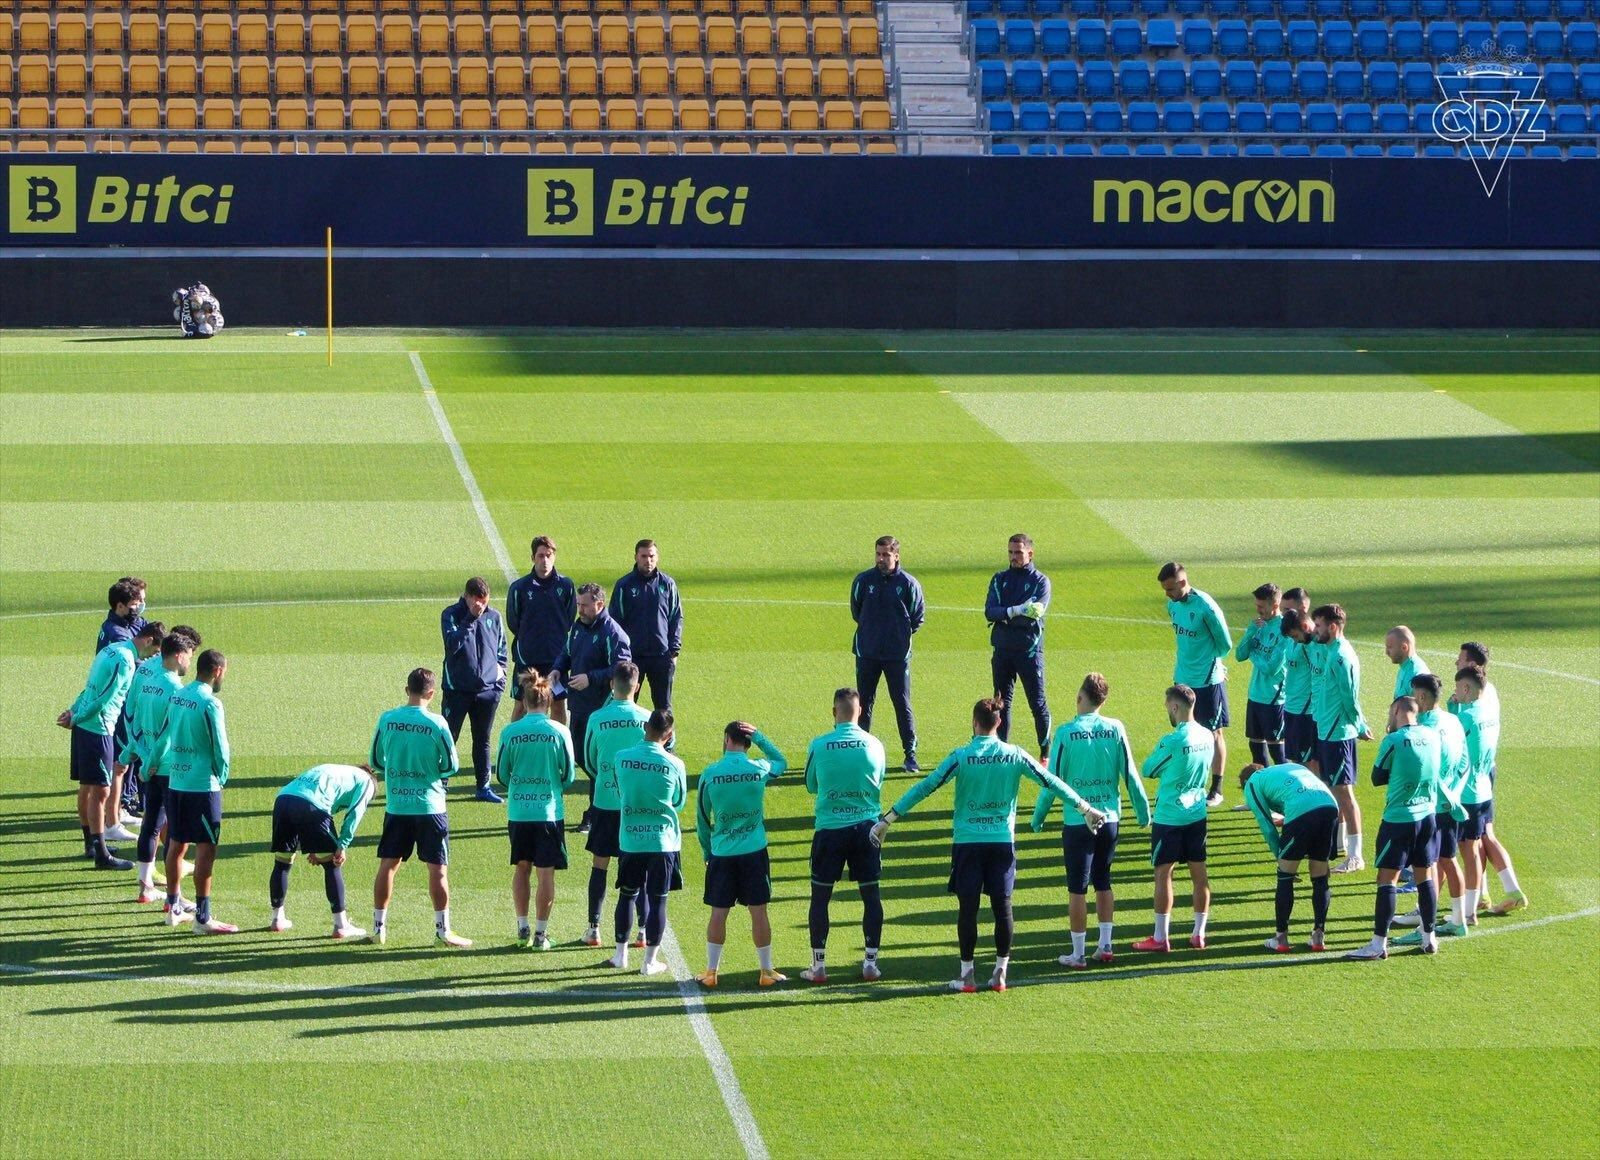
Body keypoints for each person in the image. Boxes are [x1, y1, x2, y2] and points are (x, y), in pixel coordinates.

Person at [872, 698, 1106, 994]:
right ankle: (1000, 973)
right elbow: (1051, 782)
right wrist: (1086, 808)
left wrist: (888, 818)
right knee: (1003, 907)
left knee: (968, 909)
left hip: (968, 844)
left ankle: (967, 975)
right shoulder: (1015, 755)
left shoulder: (962, 755)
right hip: (1001, 844)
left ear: (974, 722)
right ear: (999, 723)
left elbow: (926, 786)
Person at [1029, 672, 1150, 968]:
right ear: (1103, 700)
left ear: (1080, 696)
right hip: (1109, 819)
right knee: (1104, 880)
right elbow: (1130, 774)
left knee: (1077, 888)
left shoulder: (1065, 732)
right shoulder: (1115, 728)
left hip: (1077, 820)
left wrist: (1038, 816)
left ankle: (1078, 953)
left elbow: (1051, 781)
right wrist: (1143, 810)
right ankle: (1105, 945)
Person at [368, 667, 470, 947]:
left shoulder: (388, 719)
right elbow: (451, 766)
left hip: (398, 805)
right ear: (432, 693)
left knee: (388, 865)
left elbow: (376, 760)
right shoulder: (437, 723)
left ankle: (379, 929)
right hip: (430, 807)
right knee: (437, 870)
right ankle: (442, 931)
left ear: (407, 690)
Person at [57, 620, 163, 870]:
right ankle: (102, 855)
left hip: (86, 727)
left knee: (87, 787)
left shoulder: (109, 650)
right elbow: (105, 697)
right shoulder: (125, 660)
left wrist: (73, 712)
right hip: (99, 729)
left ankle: (91, 845)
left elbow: (89, 689)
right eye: (154, 651)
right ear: (148, 641)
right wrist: (76, 717)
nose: (152, 657)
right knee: (101, 792)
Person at [147, 648, 238, 934]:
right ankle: (203, 917)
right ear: (218, 672)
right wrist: (222, 776)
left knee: (176, 844)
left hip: (175, 781)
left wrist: (149, 764)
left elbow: (163, 736)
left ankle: (173, 908)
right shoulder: (210, 703)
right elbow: (220, 746)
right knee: (206, 849)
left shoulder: (178, 696)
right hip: (202, 786)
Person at [1346, 696, 1445, 960]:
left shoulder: (1394, 741)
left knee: (1386, 880)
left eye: (1391, 712)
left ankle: (1378, 944)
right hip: (1428, 817)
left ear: (1399, 710)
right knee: (1425, 877)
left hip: (1399, 819)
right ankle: (1429, 938)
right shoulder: (1433, 735)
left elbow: (1377, 777)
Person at [800, 688, 888, 984]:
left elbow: (811, 784)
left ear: (834, 711)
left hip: (830, 830)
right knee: (871, 895)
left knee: (820, 897)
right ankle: (870, 964)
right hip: (866, 830)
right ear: (859, 711)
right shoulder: (875, 744)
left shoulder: (820, 744)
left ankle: (819, 966)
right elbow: (879, 781)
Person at [694, 721, 789, 988]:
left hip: (722, 853)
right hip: (754, 852)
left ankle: (711, 972)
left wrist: (706, 850)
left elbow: (702, 818)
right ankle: (766, 971)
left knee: (718, 913)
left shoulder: (710, 774)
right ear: (748, 742)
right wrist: (760, 737)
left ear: (726, 739)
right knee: (759, 912)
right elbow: (781, 762)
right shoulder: (758, 768)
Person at [1131, 685, 1215, 953]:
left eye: (1168, 706)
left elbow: (1148, 769)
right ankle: (1199, 933)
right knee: (1199, 875)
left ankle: (1160, 937)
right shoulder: (1207, 734)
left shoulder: (1173, 740)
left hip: (1169, 817)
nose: (1167, 710)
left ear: (1175, 707)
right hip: (1197, 813)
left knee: (1163, 875)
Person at [495, 673, 576, 949]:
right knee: (546, 873)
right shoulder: (559, 731)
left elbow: (503, 775)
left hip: (518, 812)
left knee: (521, 867)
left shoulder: (510, 732)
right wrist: (553, 785)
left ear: (525, 700)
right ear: (548, 700)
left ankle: (522, 927)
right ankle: (541, 935)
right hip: (548, 812)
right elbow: (569, 775)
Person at [605, 710, 687, 976]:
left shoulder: (621, 758)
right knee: (658, 899)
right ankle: (649, 961)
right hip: (663, 841)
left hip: (631, 838)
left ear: (645, 727)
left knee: (627, 894)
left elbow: (619, 792)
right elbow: (679, 801)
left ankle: (620, 955)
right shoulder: (675, 764)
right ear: (669, 734)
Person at [1391, 673, 1471, 943]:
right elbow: (1464, 762)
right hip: (1450, 804)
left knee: (1428, 864)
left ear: (1422, 697)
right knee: (1448, 860)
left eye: (1414, 695)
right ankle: (1458, 920)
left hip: (1430, 805)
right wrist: (1455, 796)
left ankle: (1426, 928)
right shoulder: (1453, 720)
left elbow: (1425, 769)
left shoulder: (1425, 730)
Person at [579, 662, 650, 947]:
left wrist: (606, 780)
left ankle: (594, 929)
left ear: (611, 685)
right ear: (638, 687)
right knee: (638, 867)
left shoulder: (597, 718)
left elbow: (589, 760)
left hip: (605, 802)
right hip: (636, 803)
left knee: (600, 864)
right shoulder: (647, 718)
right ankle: (643, 931)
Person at [124, 628, 196, 904]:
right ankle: (174, 899)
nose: (190, 661)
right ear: (178, 656)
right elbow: (168, 737)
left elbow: (135, 720)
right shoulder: (176, 690)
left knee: (150, 826)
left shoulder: (149, 682)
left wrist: (137, 753)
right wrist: (151, 763)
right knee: (177, 836)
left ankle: (145, 889)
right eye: (189, 656)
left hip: (148, 766)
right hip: (167, 769)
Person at [553, 582, 632, 832]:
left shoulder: (613, 633)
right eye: (578, 605)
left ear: (599, 604)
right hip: (579, 705)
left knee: (597, 762)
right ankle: (602, 808)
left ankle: (596, 813)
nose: (580, 609)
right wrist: (557, 667)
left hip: (601, 709)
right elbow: (567, 652)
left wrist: (591, 678)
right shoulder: (578, 627)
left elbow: (621, 670)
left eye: (585, 605)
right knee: (582, 757)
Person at [1451, 665, 1528, 916]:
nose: (1454, 692)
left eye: (1457, 687)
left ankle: (1469, 911)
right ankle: (1478, 904)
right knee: (1479, 845)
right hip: (1484, 788)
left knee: (1467, 852)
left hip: (1466, 794)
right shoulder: (1488, 712)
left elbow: (1451, 749)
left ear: (1466, 687)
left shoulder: (1466, 718)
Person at [1238, 762, 1339, 953]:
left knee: (1285, 876)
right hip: (1329, 806)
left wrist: (1281, 856)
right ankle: (1318, 937)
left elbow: (1266, 825)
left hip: (1303, 809)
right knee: (1319, 876)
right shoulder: (1284, 768)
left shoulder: (1251, 783)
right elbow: (1307, 797)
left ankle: (1281, 939)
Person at [268, 763, 376, 939]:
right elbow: (354, 813)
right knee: (332, 864)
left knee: (282, 862)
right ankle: (341, 926)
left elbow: (315, 809)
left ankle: (277, 919)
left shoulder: (339, 771)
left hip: (283, 800)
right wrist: (342, 846)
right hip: (312, 804)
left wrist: (313, 847)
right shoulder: (367, 782)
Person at [1157, 562, 1233, 807]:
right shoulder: (1173, 605)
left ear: (1181, 582)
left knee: (1213, 733)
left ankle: (1217, 787)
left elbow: (1225, 644)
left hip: (1207, 682)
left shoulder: (1205, 607)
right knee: (1184, 732)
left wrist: (1216, 666)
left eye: (1170, 589)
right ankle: (1190, 782)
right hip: (1182, 678)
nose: (1167, 595)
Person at [850, 535, 926, 772]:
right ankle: (859, 753)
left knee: (901, 703)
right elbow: (856, 611)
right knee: (863, 702)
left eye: (886, 555)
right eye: (878, 554)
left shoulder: (908, 584)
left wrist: (898, 636)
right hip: (868, 651)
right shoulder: (863, 581)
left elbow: (917, 617)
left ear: (896, 556)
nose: (881, 559)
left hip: (896, 655)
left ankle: (910, 754)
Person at [1310, 603, 1373, 873]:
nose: (1316, 630)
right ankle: (1340, 846)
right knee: (1334, 790)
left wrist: (1359, 725)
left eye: (1320, 626)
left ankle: (1356, 856)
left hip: (1339, 734)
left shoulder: (1341, 656)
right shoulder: (1330, 651)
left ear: (1333, 627)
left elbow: (1350, 697)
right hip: (1328, 730)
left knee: (1345, 794)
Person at [440, 577, 508, 804]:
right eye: (477, 601)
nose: (482, 606)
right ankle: (441, 785)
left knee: (483, 739)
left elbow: (502, 651)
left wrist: (499, 683)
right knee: (450, 737)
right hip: (457, 690)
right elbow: (452, 644)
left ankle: (483, 787)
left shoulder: (494, 616)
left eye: (485, 602)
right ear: (467, 597)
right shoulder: (451, 614)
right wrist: (470, 618)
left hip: (487, 692)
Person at [984, 533, 1052, 756]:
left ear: (1030, 553)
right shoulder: (999, 579)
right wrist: (1015, 610)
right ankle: (1001, 750)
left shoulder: (1040, 582)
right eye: (1010, 552)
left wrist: (1006, 615)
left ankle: (1045, 753)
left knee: (1037, 703)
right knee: (1001, 703)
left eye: (1018, 552)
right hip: (1003, 651)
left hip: (1029, 651)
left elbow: (1032, 616)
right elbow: (990, 612)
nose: (1013, 557)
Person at [505, 535, 576, 726]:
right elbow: (513, 622)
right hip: (528, 659)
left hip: (556, 661)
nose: (545, 560)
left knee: (559, 704)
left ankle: (558, 746)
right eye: (540, 556)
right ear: (533, 558)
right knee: (521, 705)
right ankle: (515, 742)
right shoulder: (519, 588)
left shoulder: (566, 586)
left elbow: (569, 619)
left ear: (554, 557)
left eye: (549, 555)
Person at [98, 577, 151, 822]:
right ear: (121, 605)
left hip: (132, 699)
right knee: (122, 756)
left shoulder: (132, 623)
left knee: (130, 752)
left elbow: (151, 638)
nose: (140, 605)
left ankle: (125, 800)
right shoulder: (116, 634)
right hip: (121, 702)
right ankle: (117, 808)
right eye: (136, 601)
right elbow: (138, 662)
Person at [609, 540, 681, 714]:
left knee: (664, 709)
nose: (648, 560)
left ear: (657, 557)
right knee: (626, 705)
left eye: (652, 556)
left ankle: (666, 742)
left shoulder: (667, 584)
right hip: (632, 658)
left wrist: (674, 651)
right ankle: (629, 740)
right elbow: (615, 622)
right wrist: (621, 655)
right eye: (644, 556)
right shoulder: (624, 585)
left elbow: (676, 618)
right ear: (636, 557)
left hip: (661, 656)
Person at [1235, 583, 1289, 769]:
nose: (1257, 610)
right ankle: (1264, 794)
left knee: (1278, 753)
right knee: (1256, 750)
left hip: (1273, 699)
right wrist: (1251, 631)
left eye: (1261, 606)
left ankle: (1286, 792)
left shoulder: (1284, 630)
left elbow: (1271, 668)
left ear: (1275, 605)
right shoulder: (1258, 626)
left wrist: (1254, 654)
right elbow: (1240, 655)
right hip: (1255, 696)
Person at [1279, 606, 1319, 767]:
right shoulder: (1292, 642)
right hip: (1290, 705)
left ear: (1304, 626)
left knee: (1308, 762)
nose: (1294, 639)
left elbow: (1319, 677)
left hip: (1306, 709)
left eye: (1295, 635)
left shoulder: (1313, 646)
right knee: (1295, 759)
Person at [1385, 626, 1431, 700]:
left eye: (1389, 647)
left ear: (1404, 647)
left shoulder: (1417, 675)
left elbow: (1423, 709)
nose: (1386, 652)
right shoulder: (1404, 666)